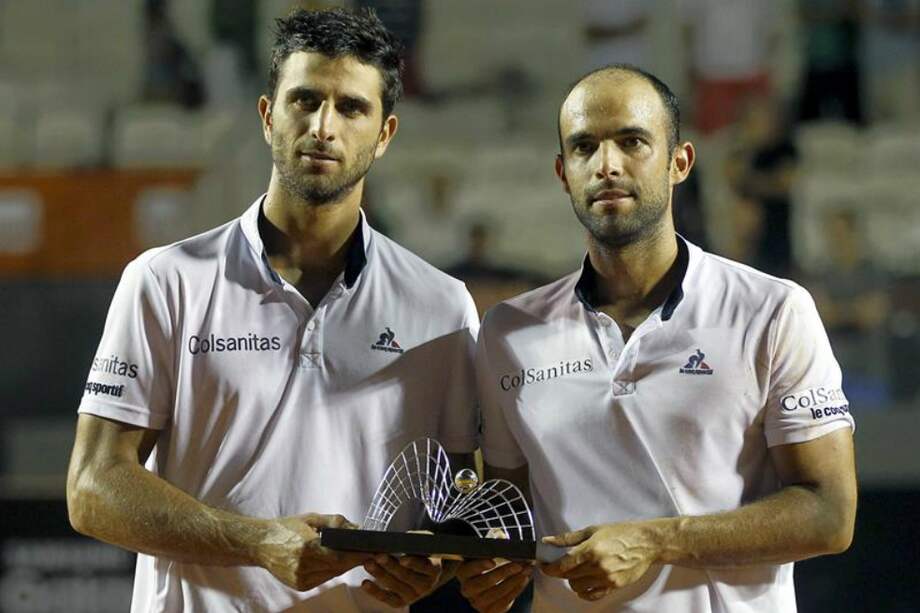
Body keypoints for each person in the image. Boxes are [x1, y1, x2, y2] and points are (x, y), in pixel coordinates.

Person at [67, 8, 479, 612]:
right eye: (304, 100)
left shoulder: (441, 305)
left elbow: (462, 506)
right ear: (268, 116)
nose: (323, 126)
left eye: (351, 108)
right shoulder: (165, 280)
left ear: (385, 133)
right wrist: (259, 542)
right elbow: (92, 486)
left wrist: (436, 565)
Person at [459, 64, 857, 612]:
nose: (607, 165)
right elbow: (510, 510)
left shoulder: (772, 310)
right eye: (584, 147)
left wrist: (655, 541)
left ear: (679, 162)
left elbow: (830, 514)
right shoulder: (508, 331)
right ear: (562, 172)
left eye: (632, 142)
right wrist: (495, 562)